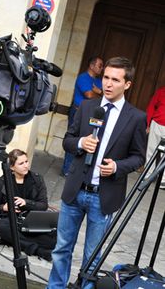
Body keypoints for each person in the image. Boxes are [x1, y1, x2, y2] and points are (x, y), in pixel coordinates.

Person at [47, 57, 147, 288]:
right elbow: (68, 141)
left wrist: (116, 167)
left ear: (127, 84)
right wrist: (81, 142)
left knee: (92, 258)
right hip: (74, 191)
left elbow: (138, 157)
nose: (108, 84)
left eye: (115, 79)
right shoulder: (87, 106)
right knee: (62, 248)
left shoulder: (136, 117)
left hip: (103, 196)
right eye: (105, 78)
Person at [0, 149, 57, 261]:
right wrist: (4, 207)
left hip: (32, 220)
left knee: (53, 241)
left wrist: (27, 202)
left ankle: (13, 241)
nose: (26, 166)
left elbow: (43, 205)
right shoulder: (3, 181)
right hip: (11, 221)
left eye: (26, 161)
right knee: (1, 226)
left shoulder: (37, 179)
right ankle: (38, 251)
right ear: (12, 167)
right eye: (21, 163)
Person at [62, 56, 104, 177]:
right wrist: (98, 93)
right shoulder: (83, 78)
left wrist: (99, 92)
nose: (102, 68)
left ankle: (79, 171)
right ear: (91, 66)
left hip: (91, 114)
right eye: (100, 65)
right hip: (77, 112)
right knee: (74, 139)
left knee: (88, 142)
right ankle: (67, 170)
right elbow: (89, 95)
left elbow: (105, 96)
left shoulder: (99, 81)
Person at [145, 86, 165, 189]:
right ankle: (148, 175)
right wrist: (148, 123)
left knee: (164, 155)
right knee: (151, 150)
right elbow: (152, 106)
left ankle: (163, 180)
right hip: (156, 123)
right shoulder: (161, 91)